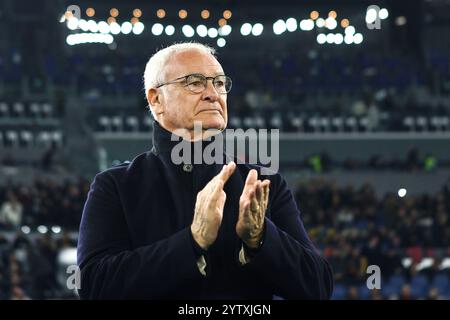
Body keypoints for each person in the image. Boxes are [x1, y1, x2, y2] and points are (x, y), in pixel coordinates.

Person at [77, 42, 333, 299]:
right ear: (156, 100)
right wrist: (192, 241)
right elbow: (93, 286)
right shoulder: (116, 186)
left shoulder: (263, 183)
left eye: (220, 83)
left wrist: (260, 238)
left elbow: (318, 288)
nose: (213, 93)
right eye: (195, 82)